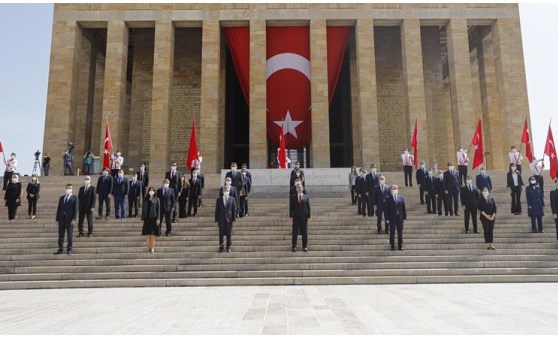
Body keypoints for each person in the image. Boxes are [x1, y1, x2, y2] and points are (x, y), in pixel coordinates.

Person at [54, 184, 79, 255]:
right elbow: (59, 209)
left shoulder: (75, 198)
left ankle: (69, 249)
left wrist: (74, 219)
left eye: (70, 188)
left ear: (72, 189)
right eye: (67, 188)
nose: (68, 189)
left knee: (69, 235)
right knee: (61, 235)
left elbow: (76, 209)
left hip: (70, 220)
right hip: (62, 219)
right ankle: (60, 249)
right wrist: (57, 219)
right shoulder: (61, 198)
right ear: (65, 189)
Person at [215, 185, 237, 253]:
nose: (226, 192)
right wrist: (216, 219)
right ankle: (221, 247)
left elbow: (234, 209)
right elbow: (217, 210)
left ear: (229, 191)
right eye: (225, 190)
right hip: (221, 219)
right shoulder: (219, 199)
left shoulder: (232, 199)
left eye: (227, 191)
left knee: (229, 234)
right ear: (222, 191)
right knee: (221, 234)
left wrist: (234, 218)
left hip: (229, 219)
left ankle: (228, 247)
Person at [290, 183, 311, 252]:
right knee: (295, 232)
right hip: (295, 217)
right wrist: (290, 216)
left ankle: (305, 246)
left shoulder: (306, 197)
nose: (299, 188)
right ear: (296, 189)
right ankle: (294, 246)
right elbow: (291, 207)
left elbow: (308, 207)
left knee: (304, 232)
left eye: (300, 187)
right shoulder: (293, 197)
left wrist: (309, 217)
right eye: (298, 187)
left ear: (302, 189)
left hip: (304, 217)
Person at [385, 184, 407, 251]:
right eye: (393, 189)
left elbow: (403, 208)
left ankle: (400, 245)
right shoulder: (388, 199)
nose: (394, 190)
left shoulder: (401, 198)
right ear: (391, 190)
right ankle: (392, 245)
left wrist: (404, 217)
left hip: (399, 218)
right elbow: (386, 210)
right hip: (392, 218)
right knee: (392, 232)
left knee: (400, 232)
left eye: (396, 188)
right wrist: (387, 218)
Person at [141, 187, 161, 253]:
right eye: (150, 190)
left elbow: (158, 210)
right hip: (147, 219)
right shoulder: (146, 200)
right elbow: (143, 211)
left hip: (154, 218)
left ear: (154, 192)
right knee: (147, 234)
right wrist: (142, 219)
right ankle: (148, 248)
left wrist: (158, 218)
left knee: (152, 234)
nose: (151, 191)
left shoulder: (157, 199)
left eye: (152, 190)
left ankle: (152, 248)